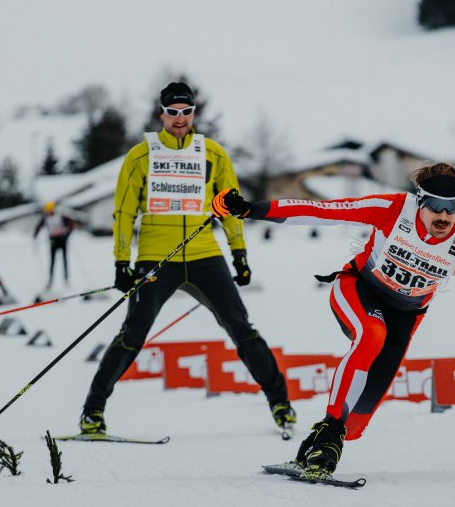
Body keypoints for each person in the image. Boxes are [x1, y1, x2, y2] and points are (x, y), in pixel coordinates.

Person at [212, 161, 455, 475]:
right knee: (371, 334)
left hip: (405, 318)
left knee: (356, 423)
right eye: (436, 205)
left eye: (453, 206)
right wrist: (251, 209)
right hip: (358, 290)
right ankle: (329, 434)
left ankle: (315, 444)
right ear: (420, 201)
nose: (444, 215)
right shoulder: (393, 209)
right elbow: (323, 211)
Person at [79, 81, 294, 435]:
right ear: (161, 113)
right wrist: (121, 262)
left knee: (239, 325)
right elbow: (124, 211)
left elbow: (229, 206)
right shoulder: (140, 156)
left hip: (203, 254)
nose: (180, 119)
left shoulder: (212, 154)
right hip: (155, 256)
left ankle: (280, 403)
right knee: (133, 333)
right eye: (173, 112)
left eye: (187, 111)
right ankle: (93, 412)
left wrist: (238, 253)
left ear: (194, 112)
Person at [33, 200, 79, 288]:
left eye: (50, 210)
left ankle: (66, 280)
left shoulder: (61, 216)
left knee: (64, 260)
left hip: (62, 239)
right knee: (52, 261)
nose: (49, 212)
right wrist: (35, 234)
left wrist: (67, 235)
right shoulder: (45, 217)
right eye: (47, 211)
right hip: (52, 240)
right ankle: (50, 282)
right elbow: (39, 226)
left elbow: (71, 226)